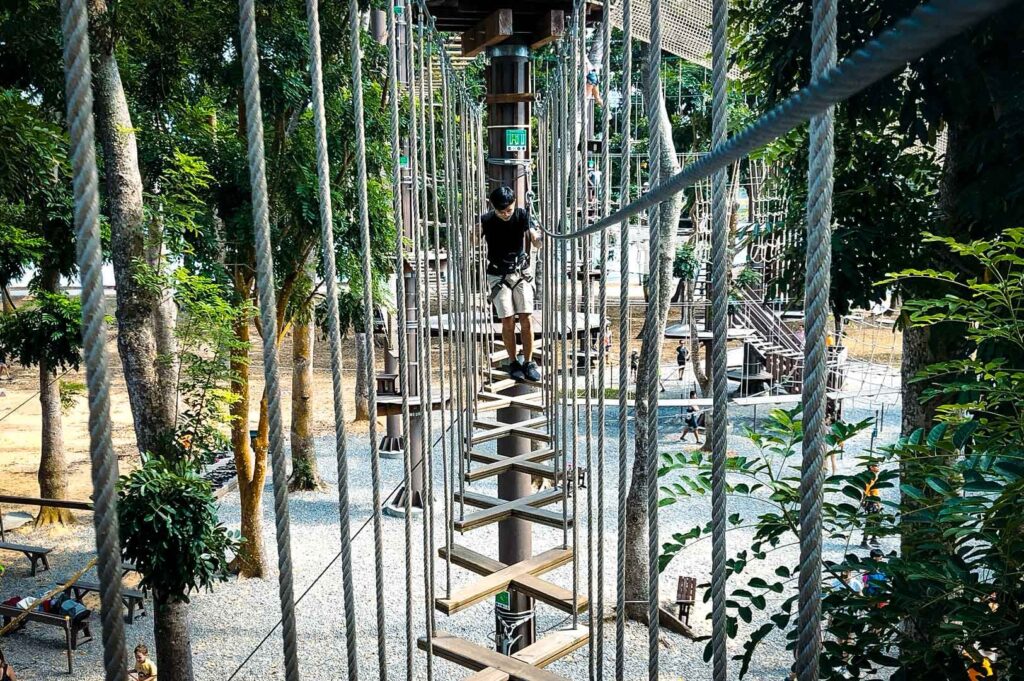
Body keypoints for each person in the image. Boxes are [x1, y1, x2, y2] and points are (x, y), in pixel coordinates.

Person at [481, 185, 542, 383]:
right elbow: (474, 239)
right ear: (494, 208)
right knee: (507, 319)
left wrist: (538, 238)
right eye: (501, 211)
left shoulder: (522, 215)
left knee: (526, 316)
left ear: (514, 204)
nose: (506, 214)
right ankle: (514, 361)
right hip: (498, 275)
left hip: (520, 272)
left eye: (509, 210)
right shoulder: (487, 220)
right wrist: (473, 234)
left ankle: (529, 362)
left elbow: (533, 237)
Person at [860, 462, 882, 548]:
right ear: (871, 467)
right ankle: (864, 541)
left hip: (874, 501)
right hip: (871, 501)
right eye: (876, 466)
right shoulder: (869, 478)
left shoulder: (873, 477)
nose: (878, 467)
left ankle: (873, 538)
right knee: (869, 522)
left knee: (877, 520)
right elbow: (866, 490)